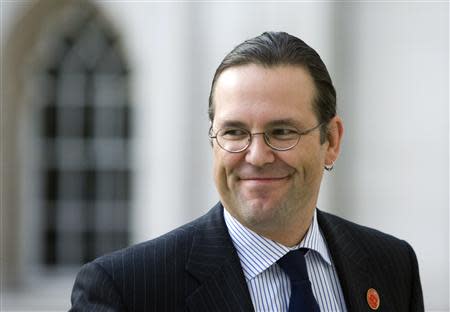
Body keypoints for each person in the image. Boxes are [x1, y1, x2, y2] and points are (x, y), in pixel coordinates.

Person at [70, 31, 424, 312]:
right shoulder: (126, 290)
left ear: (330, 140)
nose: (256, 156)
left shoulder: (392, 266)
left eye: (282, 132)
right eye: (235, 132)